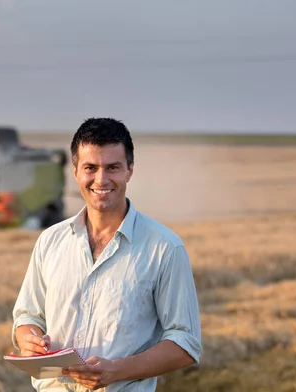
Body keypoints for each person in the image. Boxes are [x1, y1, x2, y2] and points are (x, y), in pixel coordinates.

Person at [11, 118, 202, 391]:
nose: (101, 179)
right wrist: (28, 338)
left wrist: (116, 371)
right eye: (91, 168)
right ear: (75, 171)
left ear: (129, 171)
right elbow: (28, 316)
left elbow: (186, 342)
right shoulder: (49, 241)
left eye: (112, 168)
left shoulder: (164, 248)